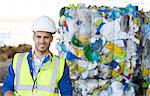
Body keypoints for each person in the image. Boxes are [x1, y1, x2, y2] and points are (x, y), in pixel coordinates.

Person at [2, 16, 72, 96]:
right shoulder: (18, 60)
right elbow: (7, 87)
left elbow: (67, 93)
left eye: (46, 37)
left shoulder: (60, 64)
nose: (42, 41)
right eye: (39, 37)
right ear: (34, 38)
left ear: (51, 39)